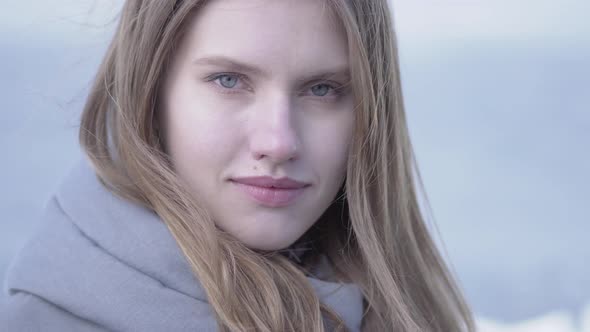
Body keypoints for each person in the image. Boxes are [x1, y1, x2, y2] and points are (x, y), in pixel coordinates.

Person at [0, 0, 475, 331]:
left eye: (322, 89)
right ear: (150, 91)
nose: (279, 142)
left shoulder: (399, 308)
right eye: (229, 80)